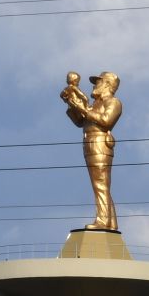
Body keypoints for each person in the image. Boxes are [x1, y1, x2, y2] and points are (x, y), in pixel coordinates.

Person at [60, 70, 123, 231]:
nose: (95, 85)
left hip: (100, 143)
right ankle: (111, 224)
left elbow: (106, 121)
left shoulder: (113, 102)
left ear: (108, 85)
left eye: (98, 82)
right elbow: (80, 122)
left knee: (101, 185)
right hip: (90, 142)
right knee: (100, 185)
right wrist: (72, 105)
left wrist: (83, 109)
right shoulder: (96, 104)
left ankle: (102, 221)